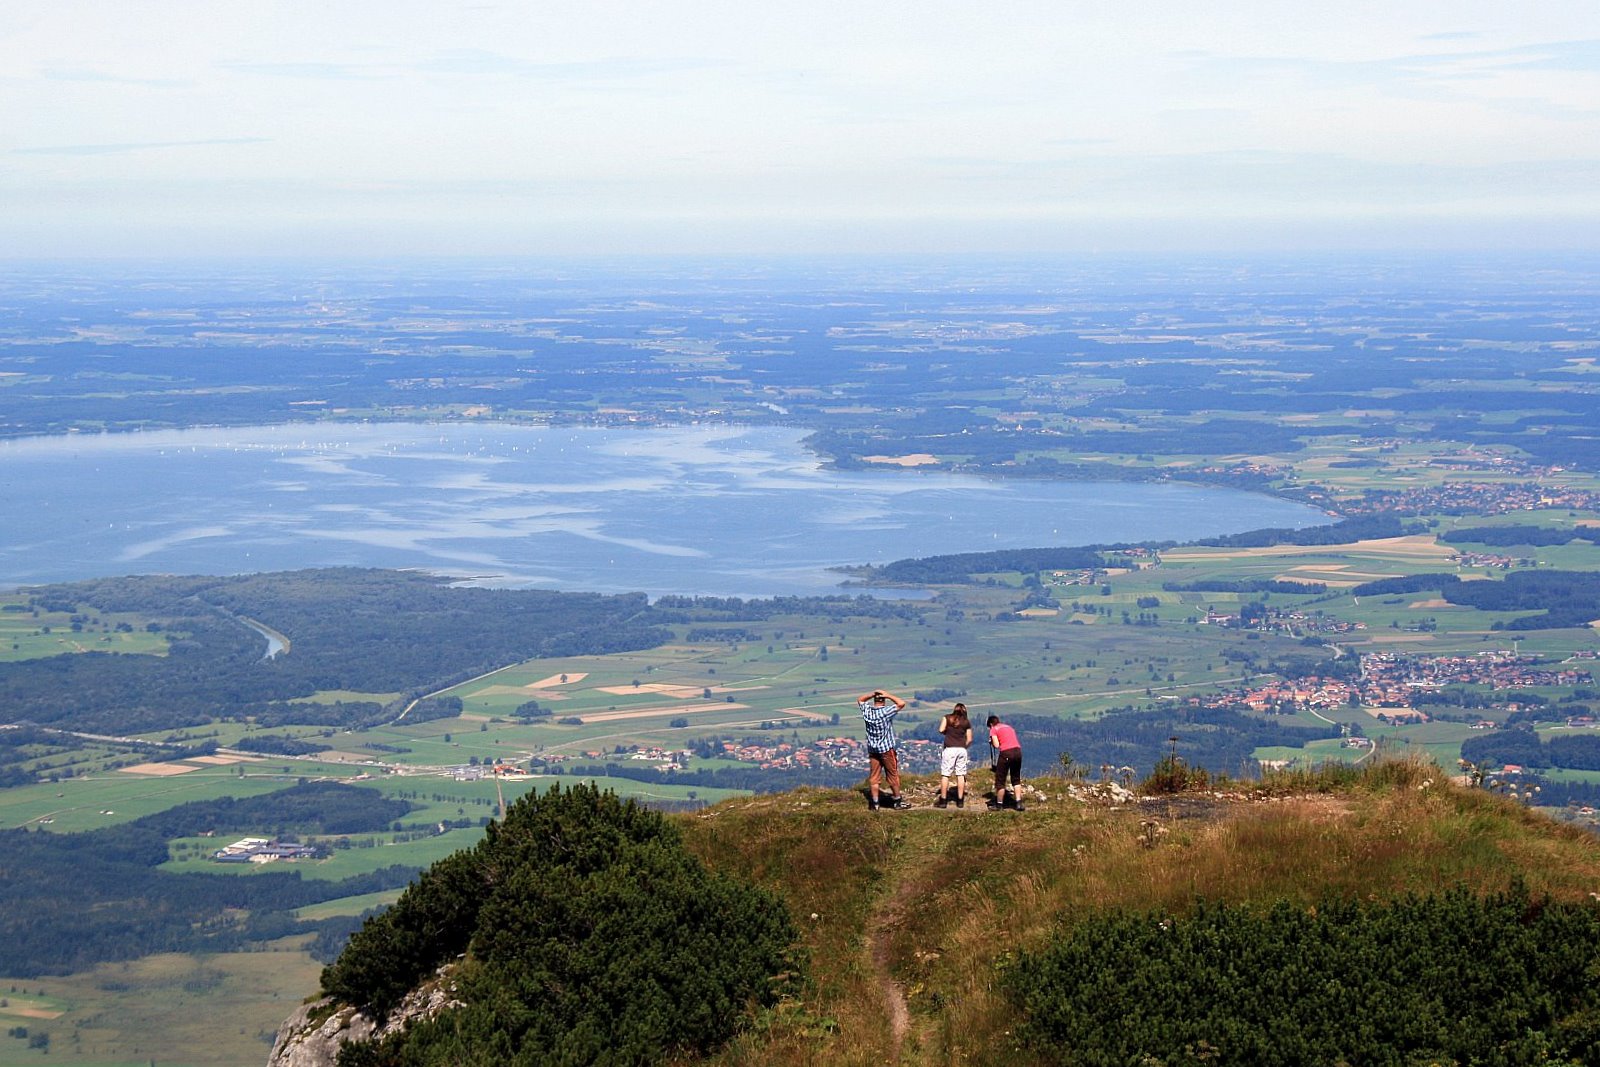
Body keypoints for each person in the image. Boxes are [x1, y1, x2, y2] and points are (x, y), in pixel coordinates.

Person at [858, 689, 911, 810]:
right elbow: (901, 703)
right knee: (892, 775)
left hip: (873, 749)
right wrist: (888, 695)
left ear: (874, 700)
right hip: (886, 749)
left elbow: (860, 699)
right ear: (884, 701)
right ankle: (897, 801)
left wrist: (872, 694)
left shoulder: (867, 711)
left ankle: (875, 803)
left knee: (874, 777)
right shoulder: (885, 712)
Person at [936, 702, 973, 808]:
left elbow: (941, 729)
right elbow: (969, 739)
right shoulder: (966, 722)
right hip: (961, 749)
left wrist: (948, 732)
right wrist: (963, 746)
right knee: (960, 774)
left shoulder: (947, 718)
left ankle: (943, 800)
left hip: (949, 749)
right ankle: (960, 800)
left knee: (946, 774)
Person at [986, 714, 1024, 811]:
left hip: (1006, 753)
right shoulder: (1009, 727)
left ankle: (999, 804)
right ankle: (1018, 803)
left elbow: (997, 745)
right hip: (1018, 751)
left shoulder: (994, 729)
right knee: (1016, 778)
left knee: (1000, 780)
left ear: (990, 724)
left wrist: (992, 741)